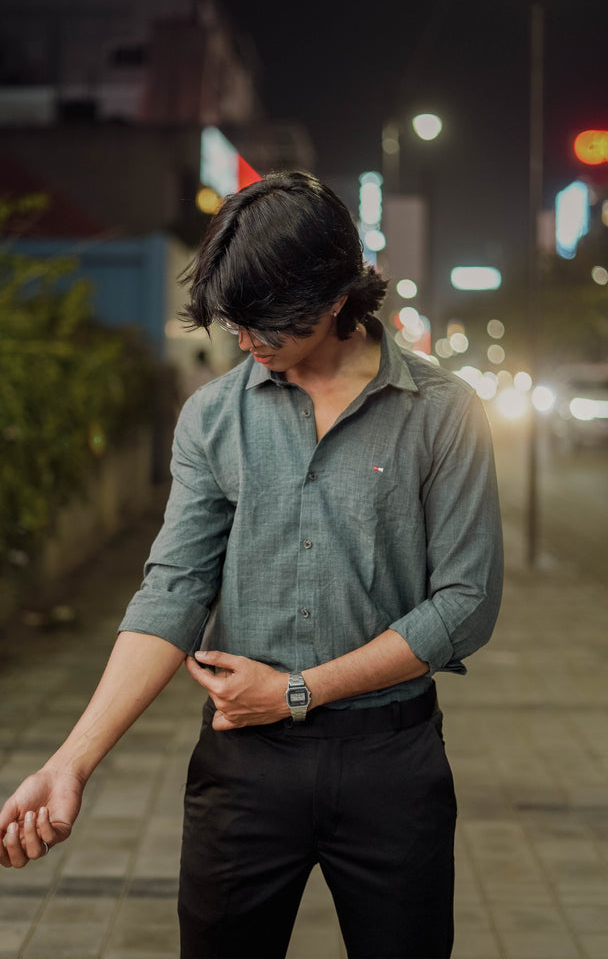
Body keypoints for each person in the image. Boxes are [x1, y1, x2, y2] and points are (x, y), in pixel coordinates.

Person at [0, 171, 503, 959]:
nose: (247, 342)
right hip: (244, 769)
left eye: (270, 324)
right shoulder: (212, 416)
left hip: (391, 766)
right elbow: (173, 589)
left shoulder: (442, 412)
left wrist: (299, 691)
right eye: (236, 323)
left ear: (338, 297)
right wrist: (71, 763)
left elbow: (466, 602)